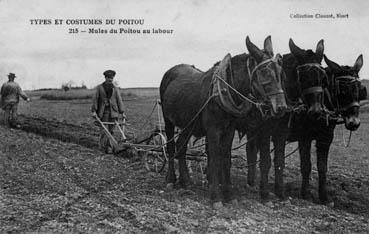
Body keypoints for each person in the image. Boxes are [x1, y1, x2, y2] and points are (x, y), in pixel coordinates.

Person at [91, 70, 125, 154]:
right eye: (109, 78)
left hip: (113, 112)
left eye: (112, 78)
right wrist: (94, 111)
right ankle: (102, 147)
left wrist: (122, 112)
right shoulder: (99, 88)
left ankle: (109, 148)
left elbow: (119, 100)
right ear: (105, 78)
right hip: (103, 112)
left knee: (111, 131)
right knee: (104, 131)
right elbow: (95, 99)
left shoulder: (115, 88)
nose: (110, 79)